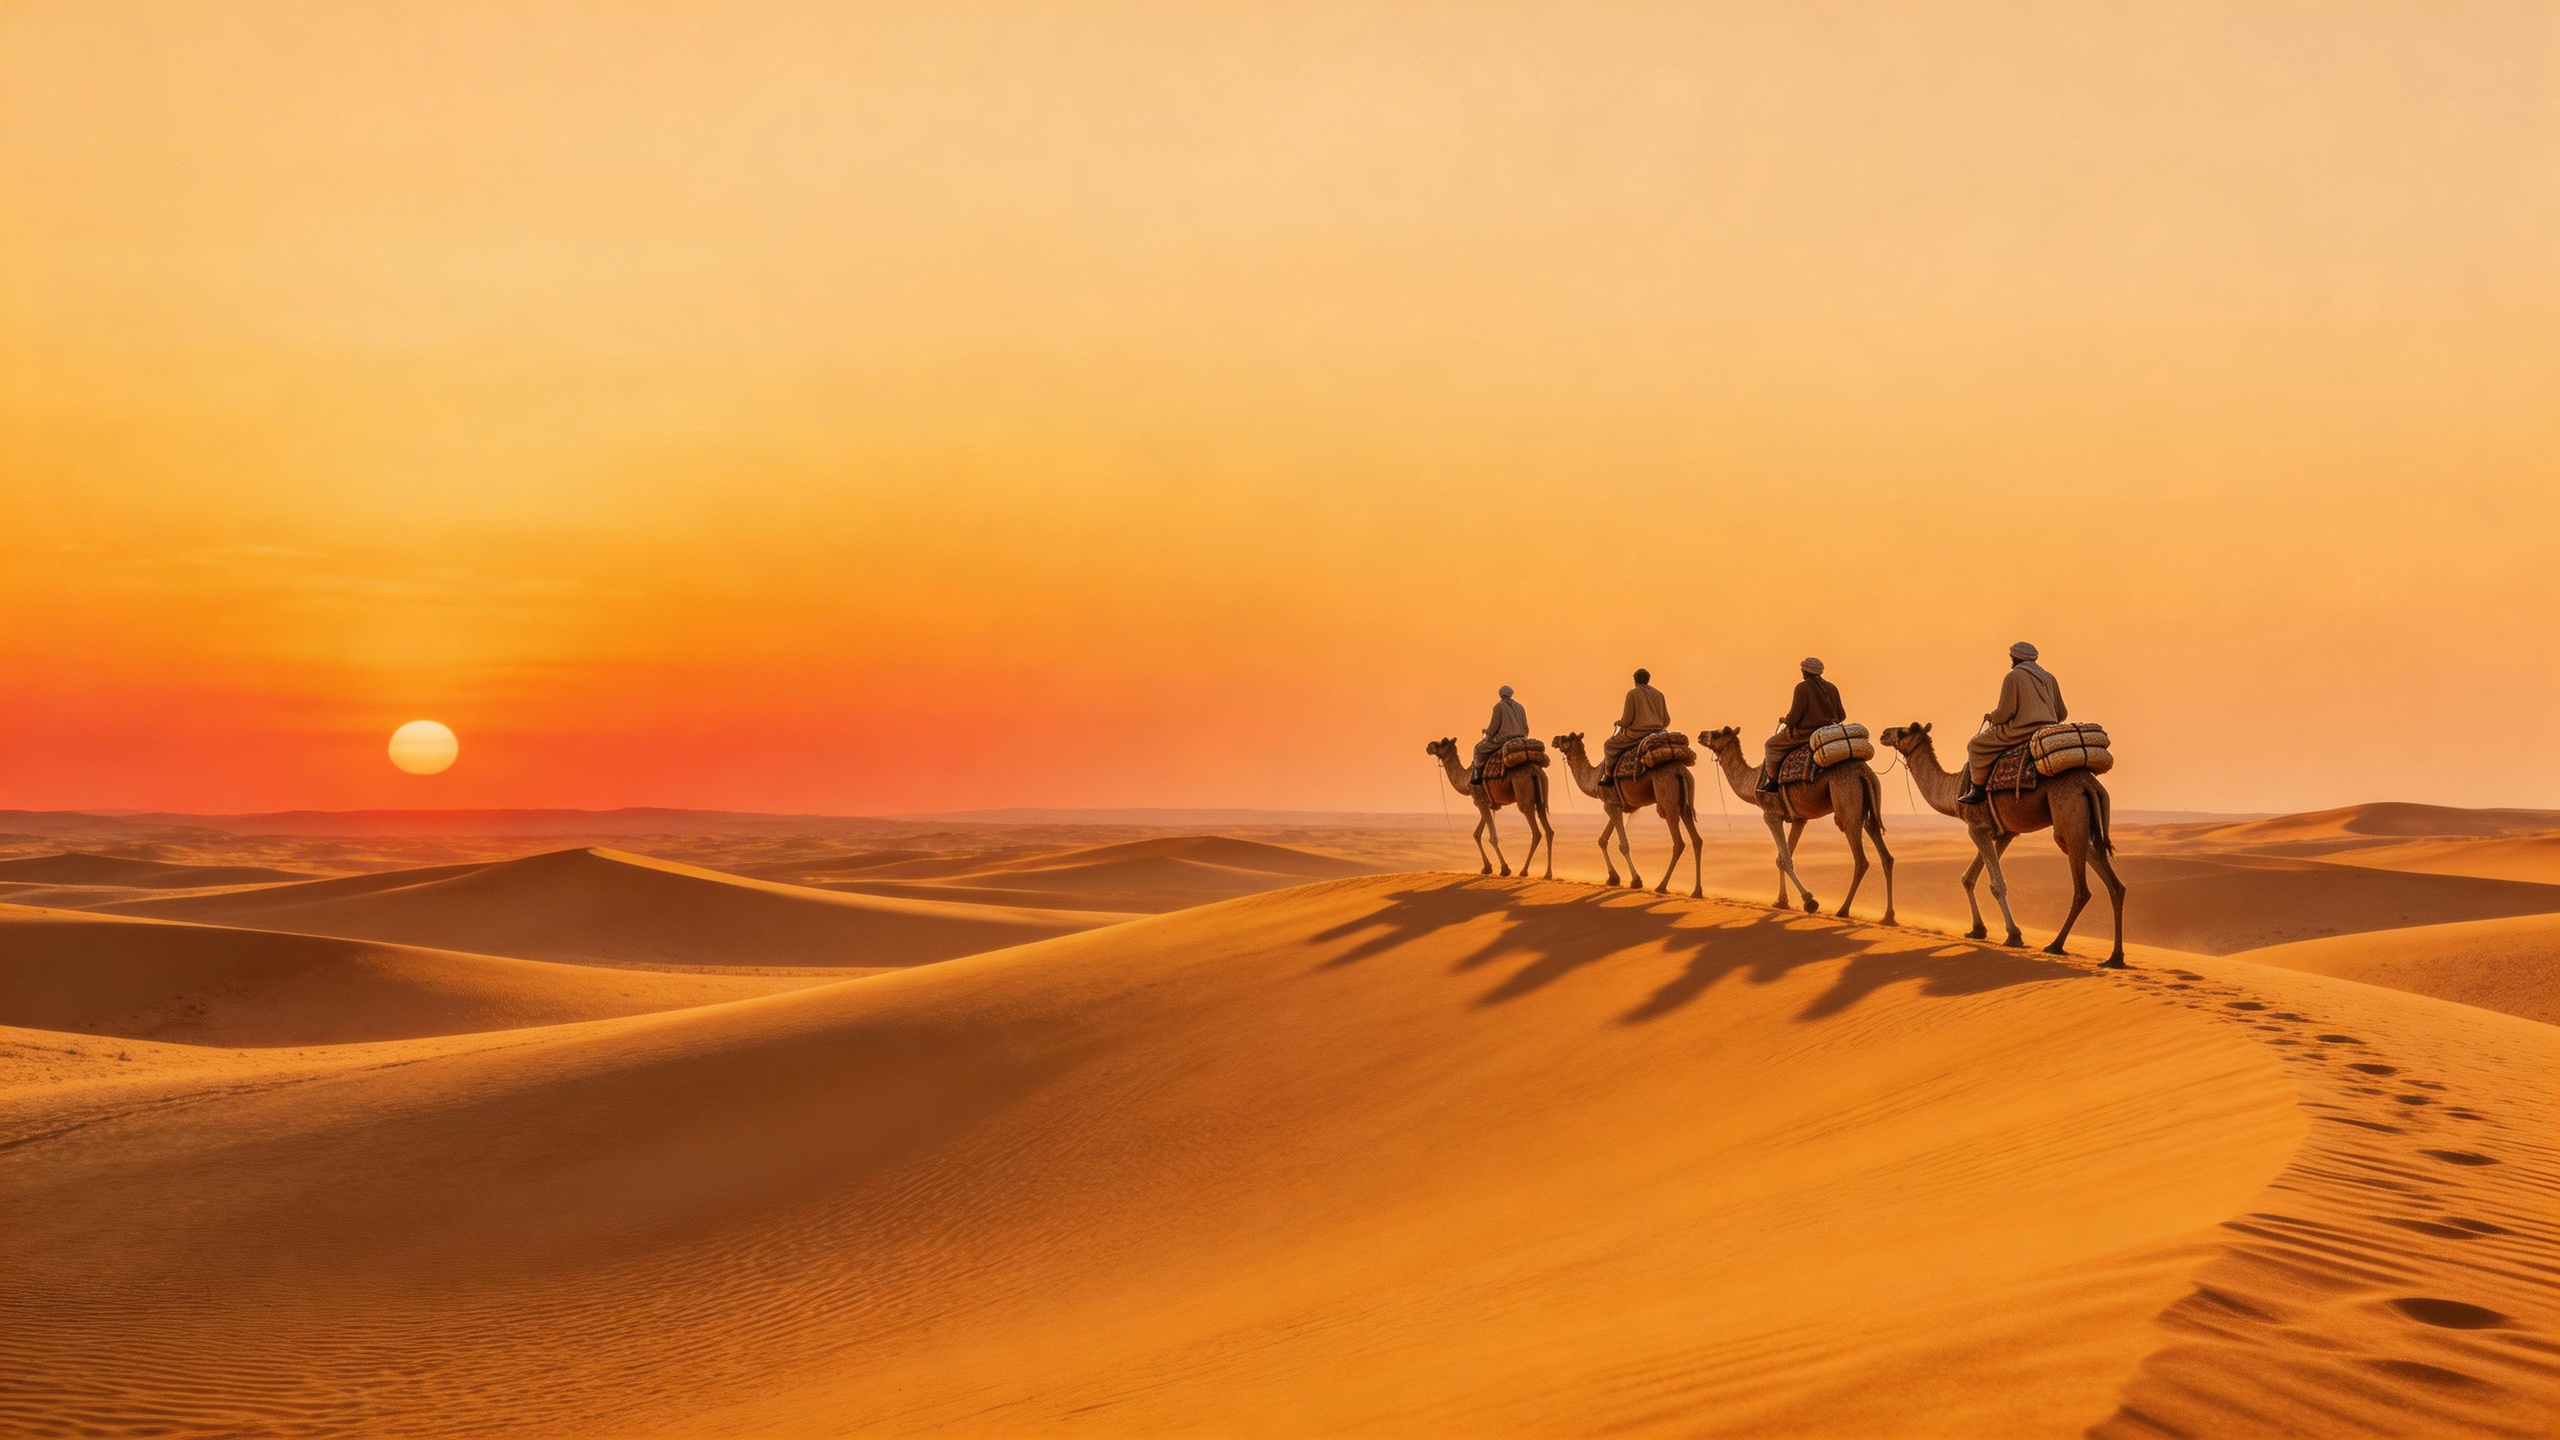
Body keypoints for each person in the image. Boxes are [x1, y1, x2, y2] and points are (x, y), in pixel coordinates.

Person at [1960, 641, 2067, 804]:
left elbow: (2005, 713)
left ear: (2016, 657)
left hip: (2021, 731)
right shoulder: (2049, 678)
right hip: (2048, 731)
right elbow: (2062, 713)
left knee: (1975, 745)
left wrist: (1992, 717)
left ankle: (1978, 791)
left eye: (2012, 656)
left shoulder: (2013, 677)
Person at [1759, 657, 1845, 792]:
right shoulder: (1832, 688)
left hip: (1805, 734)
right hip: (1829, 732)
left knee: (1770, 744)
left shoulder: (1802, 688)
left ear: (1806, 671)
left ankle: (1774, 781)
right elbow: (1842, 716)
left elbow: (1794, 718)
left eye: (1803, 669)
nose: (1801, 671)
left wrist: (1785, 720)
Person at [1601, 668, 1670, 789]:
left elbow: (1627, 719)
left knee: (1609, 745)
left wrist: (1620, 722)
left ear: (1635, 681)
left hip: (1638, 734)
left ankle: (1608, 776)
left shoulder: (1632, 694)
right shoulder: (1659, 694)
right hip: (1659, 733)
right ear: (1648, 680)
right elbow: (1666, 720)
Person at [1470, 685, 1530, 785]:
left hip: (1503, 739)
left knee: (1478, 749)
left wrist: (1487, 732)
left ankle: (1477, 776)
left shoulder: (1499, 707)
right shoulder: (1520, 707)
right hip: (1521, 738)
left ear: (1500, 694)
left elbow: (1494, 727)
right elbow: (1526, 727)